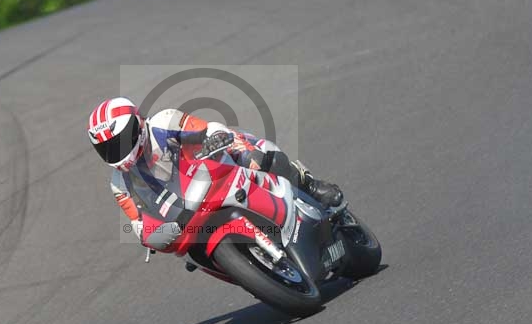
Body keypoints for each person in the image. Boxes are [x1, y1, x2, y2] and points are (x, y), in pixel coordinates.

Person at [87, 97, 342, 250]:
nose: (117, 151)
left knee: (256, 156)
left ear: (138, 123)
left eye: (120, 141)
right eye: (108, 148)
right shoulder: (120, 183)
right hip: (187, 216)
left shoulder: (163, 122)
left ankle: (308, 185)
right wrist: (158, 235)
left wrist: (215, 138)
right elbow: (138, 225)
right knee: (187, 252)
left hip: (213, 169)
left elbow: (206, 129)